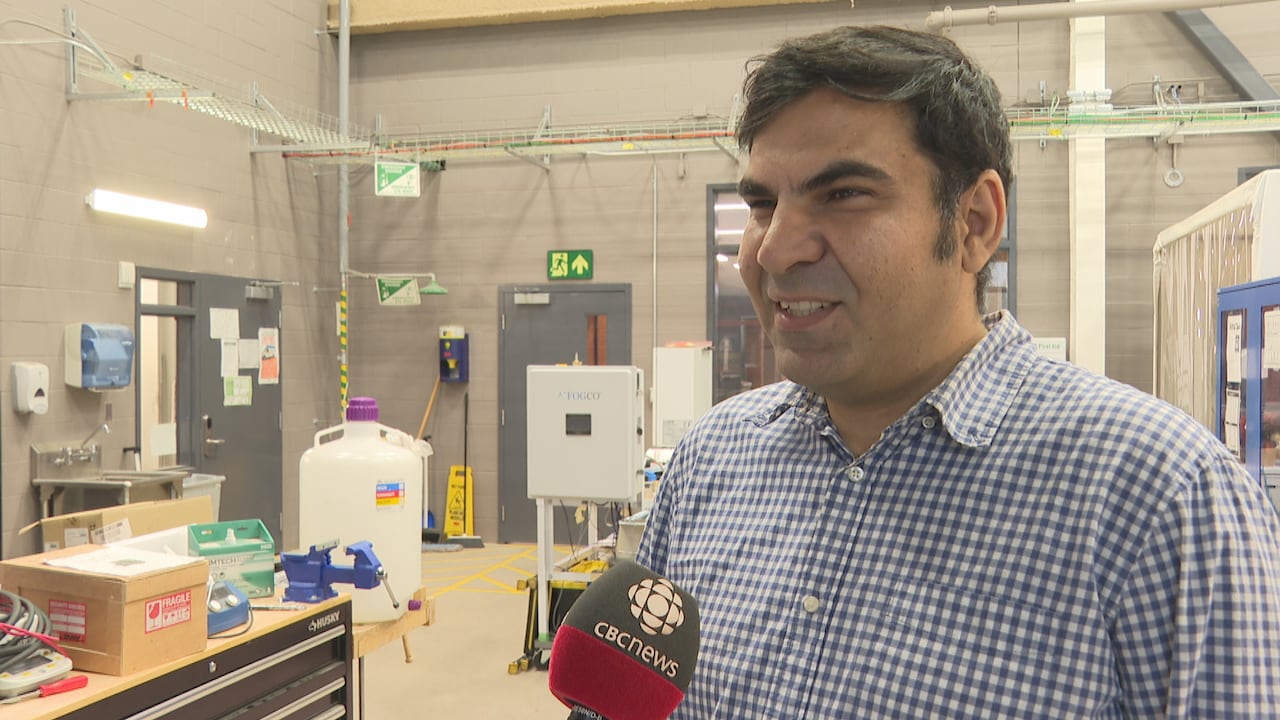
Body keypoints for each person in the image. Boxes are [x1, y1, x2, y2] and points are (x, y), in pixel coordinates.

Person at [636, 25, 1280, 718]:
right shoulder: (710, 462)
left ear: (974, 222)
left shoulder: (1159, 501)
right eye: (762, 204)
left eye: (844, 194)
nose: (775, 250)